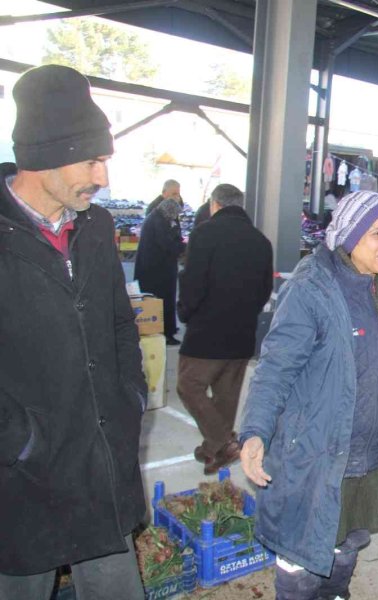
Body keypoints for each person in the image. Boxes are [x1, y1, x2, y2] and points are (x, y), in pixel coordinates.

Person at [238, 191, 378, 600]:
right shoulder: (312, 289)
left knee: (348, 545)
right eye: (376, 233)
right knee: (302, 559)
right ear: (348, 235)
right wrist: (255, 430)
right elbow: (275, 368)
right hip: (316, 457)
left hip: (370, 456)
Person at [0, 64, 147, 600]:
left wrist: (130, 396)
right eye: (93, 160)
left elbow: (118, 324)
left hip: (100, 463)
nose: (103, 177)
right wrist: (22, 441)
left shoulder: (96, 227)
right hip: (22, 476)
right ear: (44, 159)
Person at [176, 183, 273, 475]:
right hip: (242, 333)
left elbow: (193, 282)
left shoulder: (205, 234)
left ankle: (223, 442)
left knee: (188, 386)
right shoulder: (260, 241)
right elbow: (264, 289)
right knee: (226, 396)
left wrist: (185, 312)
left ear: (214, 205)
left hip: (206, 333)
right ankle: (213, 450)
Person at [135, 198, 185, 345]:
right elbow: (167, 244)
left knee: (156, 302)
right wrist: (185, 247)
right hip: (157, 271)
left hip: (154, 269)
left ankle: (161, 332)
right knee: (162, 302)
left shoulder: (156, 217)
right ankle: (164, 333)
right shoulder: (158, 221)